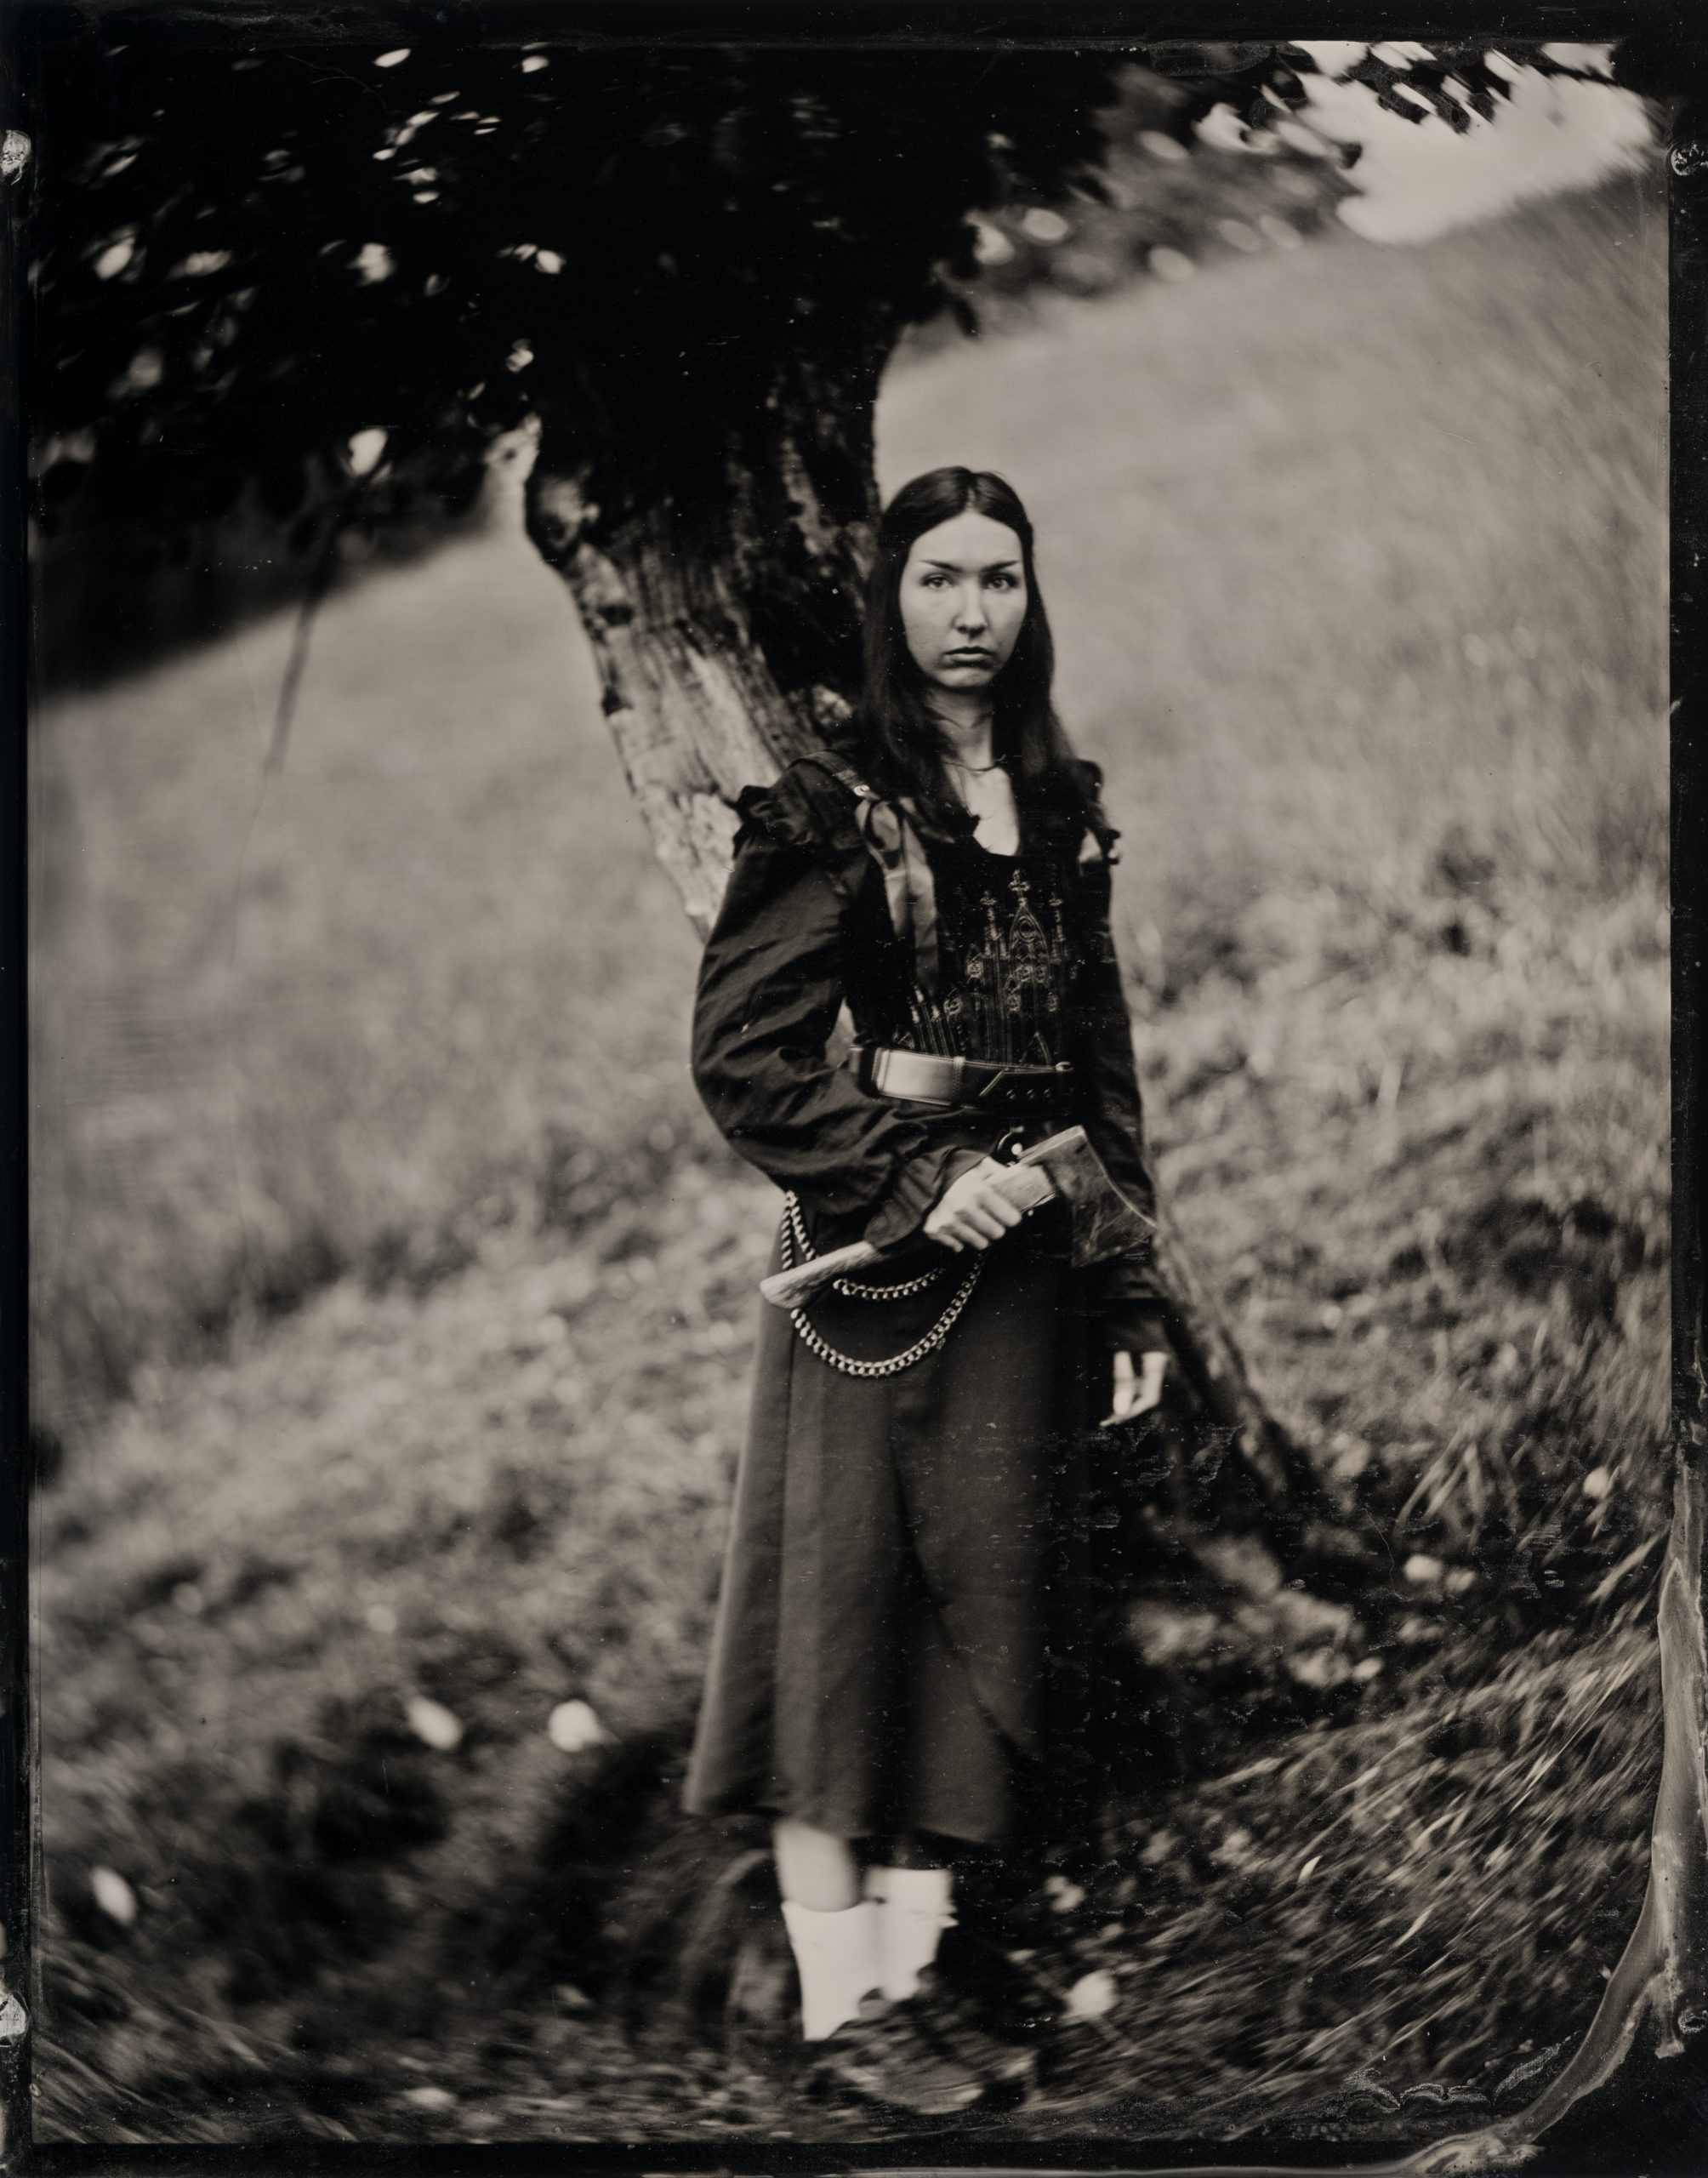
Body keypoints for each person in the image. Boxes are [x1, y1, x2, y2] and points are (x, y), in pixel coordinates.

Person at [685, 466, 1172, 2112]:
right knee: (843, 1626)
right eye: (941, 580)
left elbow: (1100, 1069)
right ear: (890, 598)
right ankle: (841, 2017)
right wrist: (910, 1184)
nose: (974, 614)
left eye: (1002, 580)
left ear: (1034, 596)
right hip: (879, 1279)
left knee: (976, 1631)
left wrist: (1126, 1288)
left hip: (1027, 1270)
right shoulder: (835, 809)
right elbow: (746, 1058)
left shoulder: (1060, 804)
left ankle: (909, 1989)